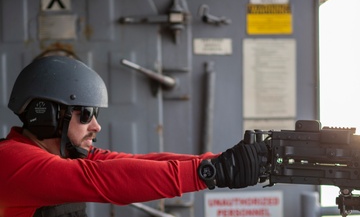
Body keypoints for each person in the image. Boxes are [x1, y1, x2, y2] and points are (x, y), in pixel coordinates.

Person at [0, 55, 268, 217]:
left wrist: (219, 162)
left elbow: (141, 162)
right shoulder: (12, 160)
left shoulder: (63, 153)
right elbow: (107, 180)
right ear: (46, 114)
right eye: (85, 114)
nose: (96, 126)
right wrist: (210, 173)